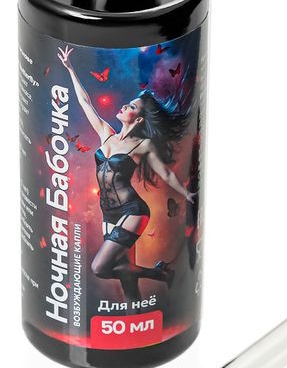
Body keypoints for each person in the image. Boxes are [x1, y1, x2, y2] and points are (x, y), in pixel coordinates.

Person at [57, 45, 194, 301]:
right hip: (108, 212)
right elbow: (85, 102)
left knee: (100, 267)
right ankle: (141, 308)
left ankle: (158, 273)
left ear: (139, 119)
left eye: (131, 106)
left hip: (132, 211)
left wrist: (187, 193)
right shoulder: (106, 133)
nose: (123, 106)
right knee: (127, 281)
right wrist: (70, 69)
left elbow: (165, 174)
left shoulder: (142, 145)